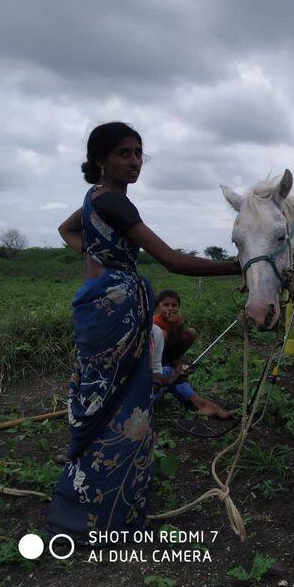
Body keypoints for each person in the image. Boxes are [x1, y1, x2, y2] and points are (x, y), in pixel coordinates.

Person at [47, 121, 241, 543]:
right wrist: (241, 266)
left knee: (99, 396)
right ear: (100, 159)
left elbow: (68, 231)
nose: (134, 161)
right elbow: (173, 262)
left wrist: (101, 256)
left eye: (138, 153)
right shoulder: (116, 203)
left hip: (98, 307)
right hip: (115, 312)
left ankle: (83, 496)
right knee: (122, 404)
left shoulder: (93, 199)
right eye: (123, 153)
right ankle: (105, 512)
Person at [151, 290, 232, 420]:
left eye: (174, 305)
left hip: (165, 365)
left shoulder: (176, 322)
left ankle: (201, 404)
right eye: (166, 305)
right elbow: (156, 354)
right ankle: (201, 403)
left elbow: (174, 350)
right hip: (151, 372)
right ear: (158, 307)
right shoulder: (155, 324)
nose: (171, 309)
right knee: (168, 370)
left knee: (190, 333)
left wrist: (179, 328)